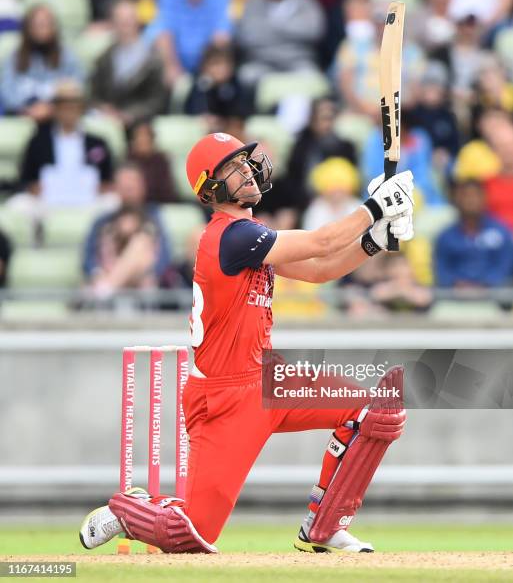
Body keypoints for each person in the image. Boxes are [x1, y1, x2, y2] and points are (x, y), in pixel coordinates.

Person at [79, 131, 413, 554]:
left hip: (267, 380)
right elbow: (321, 242)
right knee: (194, 534)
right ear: (211, 187)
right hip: (224, 398)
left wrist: (375, 240)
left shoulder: (251, 235)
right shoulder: (229, 237)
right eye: (234, 167)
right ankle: (129, 509)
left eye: (246, 162)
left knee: (377, 411)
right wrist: (376, 207)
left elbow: (320, 268)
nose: (249, 170)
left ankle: (324, 527)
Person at [10, 80, 112, 217]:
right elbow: (27, 178)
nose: (69, 111)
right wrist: (34, 187)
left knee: (113, 202)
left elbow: (107, 179)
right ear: (55, 109)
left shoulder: (97, 142)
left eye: (73, 106)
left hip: (88, 202)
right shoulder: (39, 141)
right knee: (17, 204)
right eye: (64, 107)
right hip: (46, 203)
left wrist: (100, 187)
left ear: (81, 109)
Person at [82, 163, 172, 300]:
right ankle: (109, 285)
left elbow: (165, 255)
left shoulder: (154, 218)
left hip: (143, 279)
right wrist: (96, 273)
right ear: (115, 189)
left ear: (142, 187)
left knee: (140, 242)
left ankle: (106, 288)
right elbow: (88, 256)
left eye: (132, 186)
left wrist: (152, 274)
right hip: (108, 271)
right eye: (124, 186)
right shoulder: (102, 221)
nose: (128, 191)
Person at [235, 0, 325, 87]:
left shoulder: (306, 1)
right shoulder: (253, 3)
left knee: (310, 78)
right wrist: (289, 28)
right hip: (261, 63)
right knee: (246, 75)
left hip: (298, 63)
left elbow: (314, 31)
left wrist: (270, 26)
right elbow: (248, 36)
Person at [91, 0, 168, 126]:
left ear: (137, 21)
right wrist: (104, 108)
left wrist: (130, 115)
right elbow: (95, 94)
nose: (125, 24)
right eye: (120, 20)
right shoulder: (104, 58)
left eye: (129, 19)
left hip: (141, 124)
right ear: (113, 23)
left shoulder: (153, 59)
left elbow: (157, 100)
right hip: (108, 122)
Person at [0, 4, 82, 120]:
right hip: (22, 116)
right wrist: (28, 108)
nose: (43, 30)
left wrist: (51, 108)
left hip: (58, 117)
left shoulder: (67, 56)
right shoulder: (15, 57)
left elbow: (77, 87)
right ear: (28, 28)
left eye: (47, 25)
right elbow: (6, 92)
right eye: (38, 25)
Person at [151, 0, 232, 85]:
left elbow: (221, 37)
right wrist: (171, 66)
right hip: (176, 63)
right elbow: (164, 35)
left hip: (206, 64)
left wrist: (210, 67)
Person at [435, 179, 513, 288]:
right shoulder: (446, 237)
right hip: (454, 297)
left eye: (475, 195)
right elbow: (442, 270)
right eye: (465, 196)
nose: (470, 200)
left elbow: (505, 267)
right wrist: (457, 283)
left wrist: (485, 284)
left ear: (484, 198)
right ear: (456, 200)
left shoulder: (500, 232)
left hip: (494, 298)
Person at [126, 119, 179, 204]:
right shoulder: (129, 159)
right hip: (133, 203)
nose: (143, 140)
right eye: (139, 136)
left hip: (156, 204)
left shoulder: (160, 160)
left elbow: (167, 191)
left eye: (146, 136)